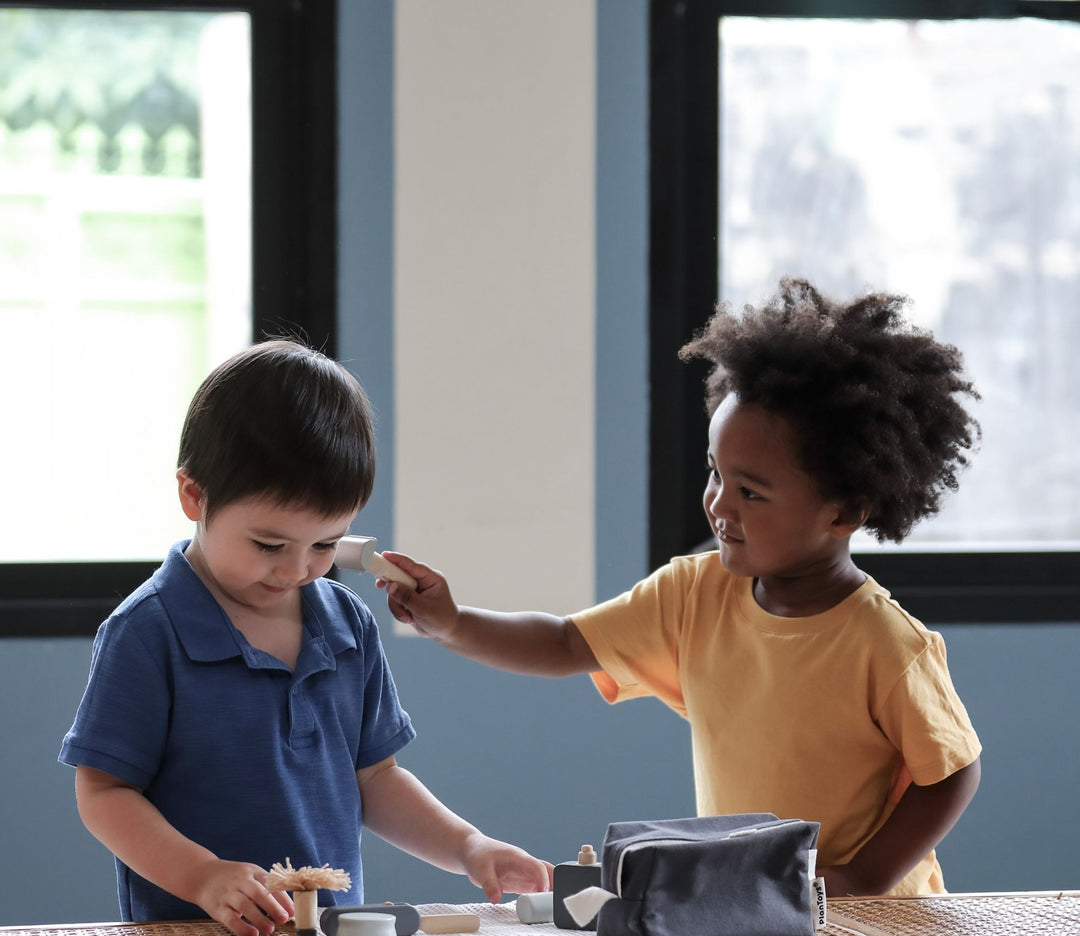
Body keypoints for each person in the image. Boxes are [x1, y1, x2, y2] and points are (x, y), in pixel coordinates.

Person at [380, 278, 983, 900]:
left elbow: (953, 770)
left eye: (751, 492)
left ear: (844, 513)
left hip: (875, 917)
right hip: (752, 895)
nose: (720, 505)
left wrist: (864, 876)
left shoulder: (885, 642)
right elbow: (563, 642)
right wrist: (452, 622)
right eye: (714, 473)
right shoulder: (693, 593)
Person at [59, 340, 551, 936]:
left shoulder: (347, 625)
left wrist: (468, 846)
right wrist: (205, 876)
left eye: (324, 545)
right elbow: (104, 792)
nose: (295, 570)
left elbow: (375, 779)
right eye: (269, 545)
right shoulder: (147, 632)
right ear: (194, 495)